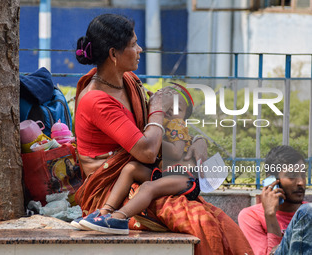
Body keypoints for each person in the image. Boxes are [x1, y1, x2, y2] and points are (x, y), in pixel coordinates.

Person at [73, 13, 253, 254]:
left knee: (222, 223)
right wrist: (156, 110)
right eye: (133, 44)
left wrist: (195, 141)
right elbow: (147, 151)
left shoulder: (129, 81)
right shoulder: (96, 99)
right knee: (199, 221)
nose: (140, 49)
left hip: (145, 177)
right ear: (114, 54)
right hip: (113, 190)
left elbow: (163, 131)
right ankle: (109, 215)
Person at [78, 85, 201, 235]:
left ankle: (119, 218)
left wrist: (154, 142)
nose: (170, 109)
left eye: (177, 108)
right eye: (168, 103)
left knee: (148, 187)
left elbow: (175, 152)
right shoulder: (160, 123)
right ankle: (105, 210)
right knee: (131, 168)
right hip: (161, 173)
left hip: (181, 176)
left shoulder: (178, 126)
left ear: (184, 116)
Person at [238, 145, 307, 255]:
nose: (301, 182)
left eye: (303, 175)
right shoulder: (251, 216)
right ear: (272, 180)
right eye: (292, 176)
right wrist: (270, 216)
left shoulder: (308, 213)